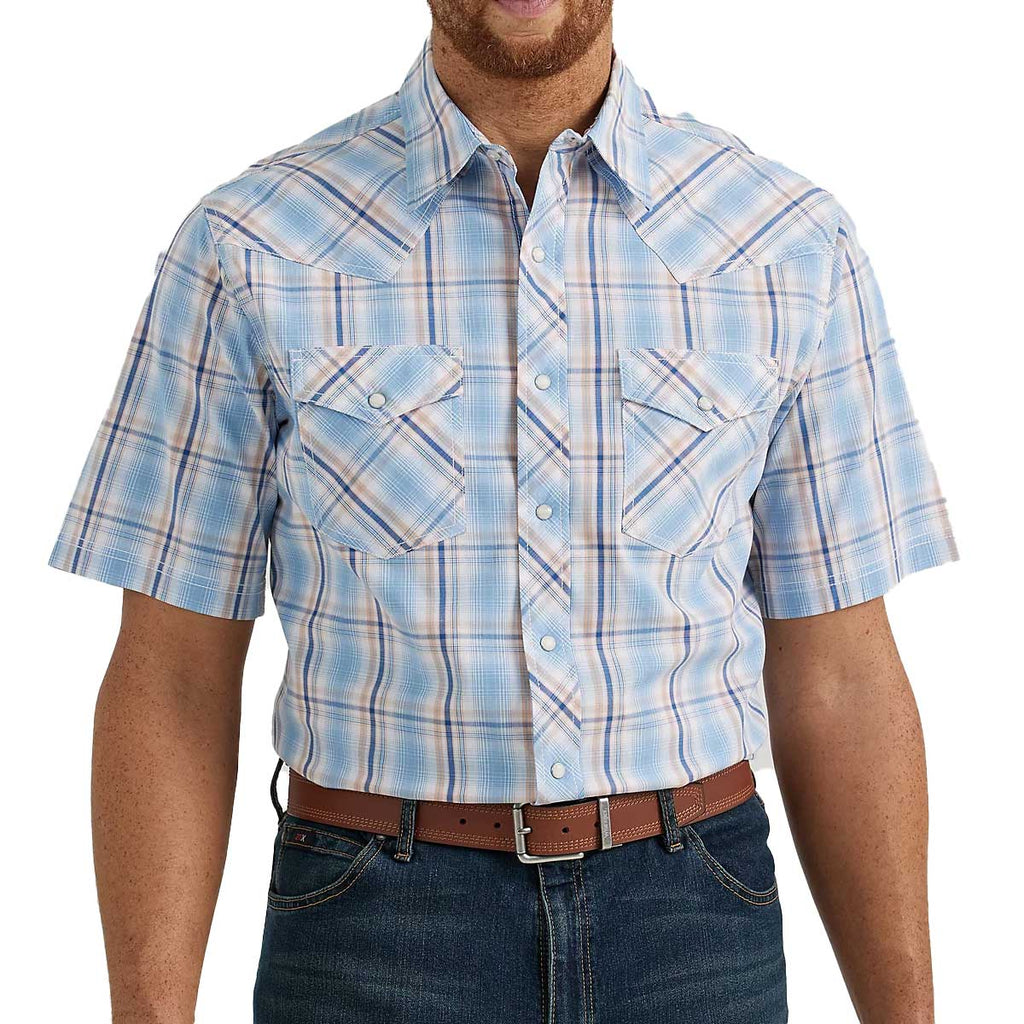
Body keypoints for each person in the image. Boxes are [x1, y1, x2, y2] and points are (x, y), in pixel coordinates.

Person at [48, 1, 960, 1021]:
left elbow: (840, 675)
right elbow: (172, 675)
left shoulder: (788, 244)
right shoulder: (250, 243)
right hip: (370, 928)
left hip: (693, 922)